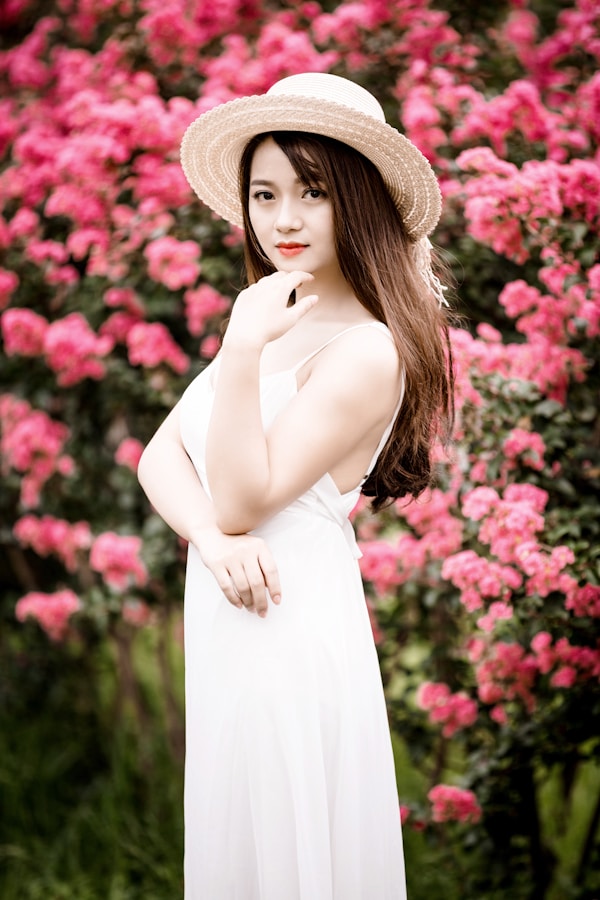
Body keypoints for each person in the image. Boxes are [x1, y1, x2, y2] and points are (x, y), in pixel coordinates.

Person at [138, 72, 453, 900]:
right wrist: (208, 541)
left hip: (286, 615)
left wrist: (240, 354)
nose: (282, 219)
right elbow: (159, 455)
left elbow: (245, 496)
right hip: (228, 605)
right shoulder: (273, 314)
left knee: (289, 842)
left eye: (312, 192)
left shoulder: (365, 349)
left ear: (359, 197)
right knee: (239, 837)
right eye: (265, 194)